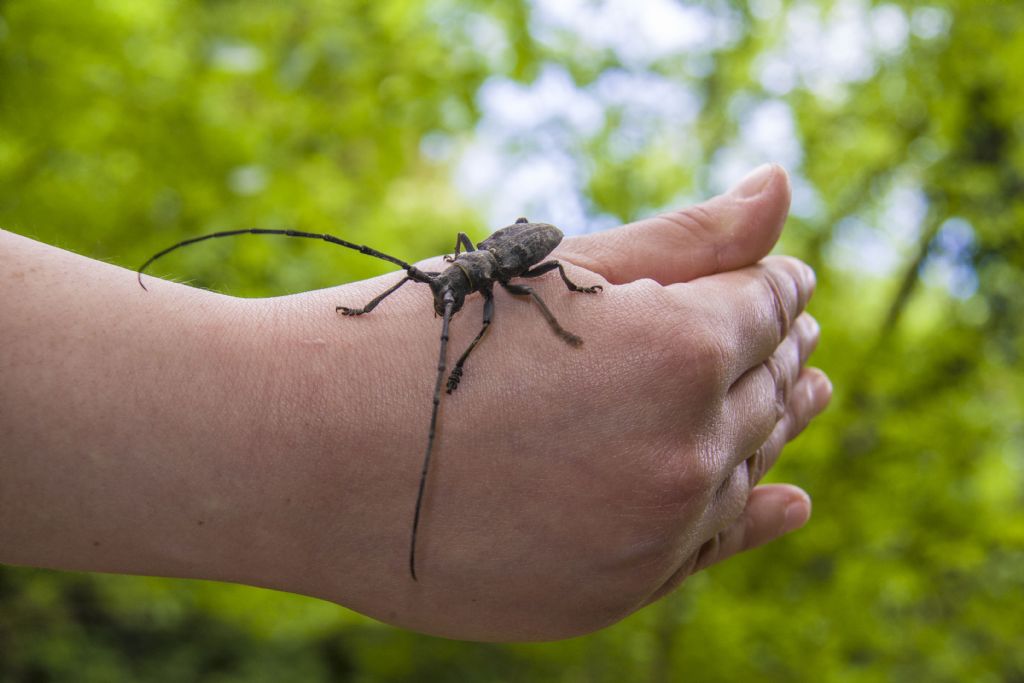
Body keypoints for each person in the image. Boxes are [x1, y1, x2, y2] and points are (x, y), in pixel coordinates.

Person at [0, 163, 830, 641]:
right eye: (450, 279)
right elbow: (451, 287)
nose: (448, 290)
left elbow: (539, 287)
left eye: (453, 280)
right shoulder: (455, 274)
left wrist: (570, 323)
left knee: (516, 307)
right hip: (503, 245)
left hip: (535, 246)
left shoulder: (512, 276)